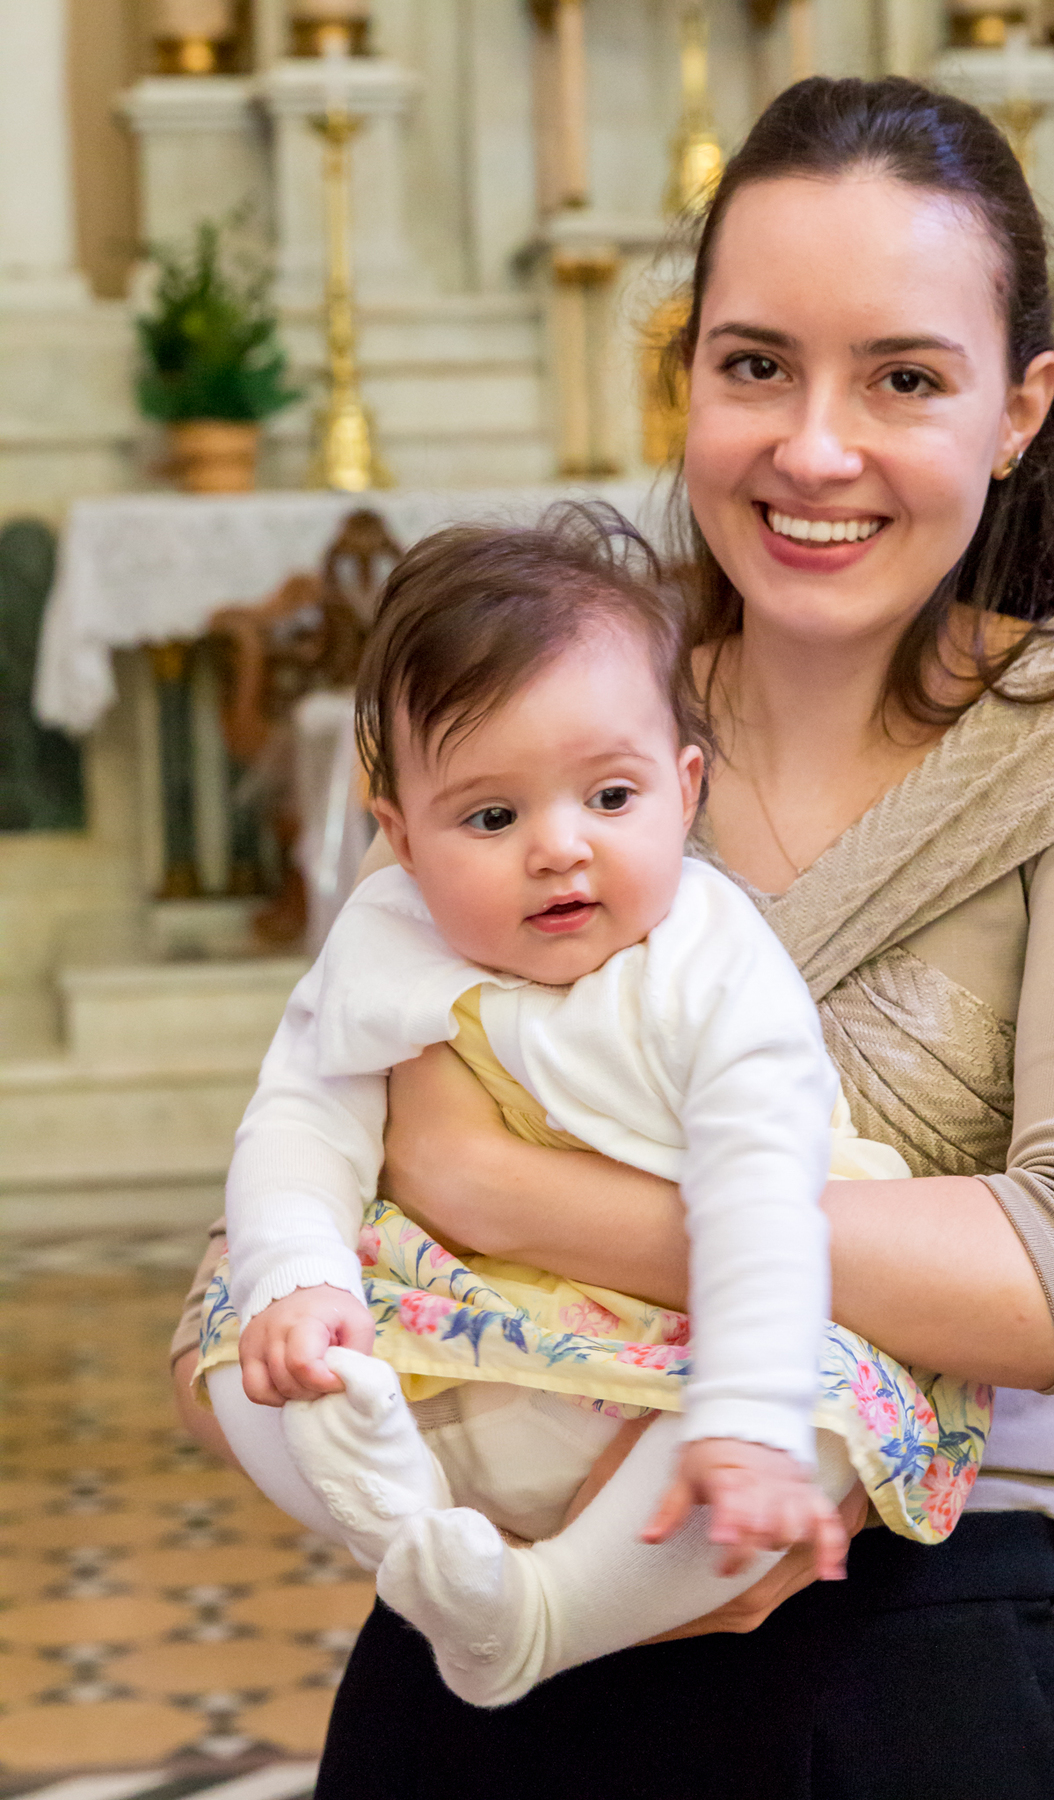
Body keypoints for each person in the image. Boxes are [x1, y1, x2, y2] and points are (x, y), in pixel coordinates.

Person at [171, 74, 1054, 1799]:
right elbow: (296, 1193)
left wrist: (501, 1190)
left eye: (903, 378)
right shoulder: (557, 720)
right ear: (688, 378)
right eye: (756, 366)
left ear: (1019, 407)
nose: (815, 447)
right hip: (485, 1626)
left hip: (914, 1628)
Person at [195, 508, 981, 1709]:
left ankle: (544, 1617)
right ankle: (400, 1520)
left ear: (685, 787)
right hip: (448, 1340)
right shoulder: (388, 936)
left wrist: (743, 1405)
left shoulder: (715, 964)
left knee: (815, 1418)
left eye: (610, 797)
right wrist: (298, 1278)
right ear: (400, 837)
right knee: (242, 1335)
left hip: (681, 1342)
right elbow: (302, 1116)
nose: (559, 849)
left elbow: (760, 1196)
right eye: (491, 817)